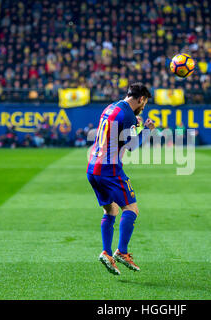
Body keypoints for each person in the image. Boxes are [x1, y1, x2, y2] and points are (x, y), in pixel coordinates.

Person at [87, 83, 155, 275]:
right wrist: (147, 129)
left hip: (93, 168)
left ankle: (107, 253)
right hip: (110, 169)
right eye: (145, 102)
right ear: (141, 99)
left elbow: (117, 134)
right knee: (131, 209)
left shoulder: (111, 107)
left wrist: (135, 124)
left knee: (111, 209)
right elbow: (133, 146)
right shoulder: (128, 116)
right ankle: (122, 252)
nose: (144, 106)